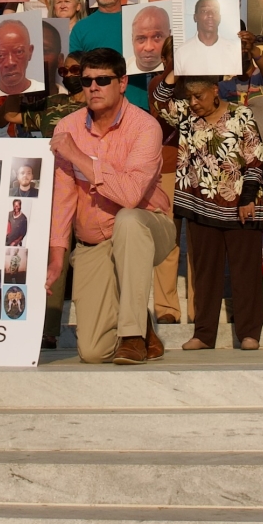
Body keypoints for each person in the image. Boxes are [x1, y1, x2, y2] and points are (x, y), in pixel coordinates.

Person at [46, 49, 174, 364]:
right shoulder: (67, 127)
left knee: (128, 220)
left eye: (103, 80)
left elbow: (130, 195)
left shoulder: (145, 127)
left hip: (148, 228)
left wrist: (79, 157)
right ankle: (143, 326)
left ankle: (131, 335)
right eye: (86, 80)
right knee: (92, 352)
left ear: (122, 83)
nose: (93, 87)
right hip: (94, 239)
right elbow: (63, 199)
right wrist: (56, 259)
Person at [164, 77, 263, 352]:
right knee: (205, 273)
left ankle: (249, 333)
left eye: (198, 96)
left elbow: (255, 155)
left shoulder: (240, 114)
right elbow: (161, 102)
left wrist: (247, 197)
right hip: (201, 204)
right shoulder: (187, 117)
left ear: (214, 90)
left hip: (241, 204)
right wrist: (173, 72)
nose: (193, 103)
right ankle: (204, 334)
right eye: (190, 98)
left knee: (245, 272)